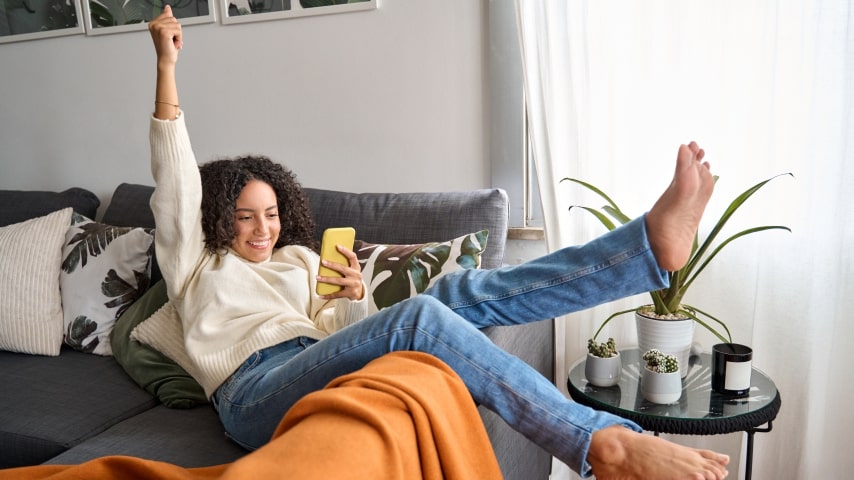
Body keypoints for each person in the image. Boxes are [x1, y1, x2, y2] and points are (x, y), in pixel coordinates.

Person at [149, 6, 730, 480]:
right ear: (220, 219)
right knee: (421, 317)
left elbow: (336, 339)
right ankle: (600, 443)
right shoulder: (196, 264)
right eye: (246, 218)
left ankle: (644, 252)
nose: (262, 230)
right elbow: (174, 183)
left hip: (310, 363)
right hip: (250, 395)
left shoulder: (301, 261)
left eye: (271, 215)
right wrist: (167, 66)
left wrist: (352, 298)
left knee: (455, 292)